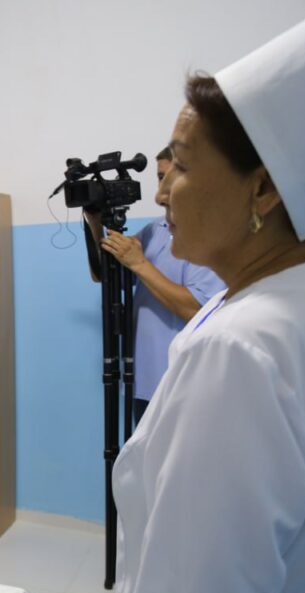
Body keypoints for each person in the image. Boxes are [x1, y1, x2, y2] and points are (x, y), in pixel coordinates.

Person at [101, 6, 305, 593]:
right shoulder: (303, 301)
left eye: (180, 166)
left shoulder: (244, 351)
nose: (162, 193)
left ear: (262, 189)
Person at [88, 148, 225, 423]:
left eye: (172, 176)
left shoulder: (212, 231)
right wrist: (95, 222)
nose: (163, 188)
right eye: (160, 177)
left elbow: (197, 310)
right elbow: (104, 274)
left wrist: (140, 263)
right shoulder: (155, 230)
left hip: (182, 384)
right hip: (141, 380)